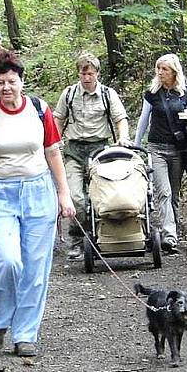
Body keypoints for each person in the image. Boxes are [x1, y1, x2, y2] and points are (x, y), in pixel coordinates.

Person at [0, 49, 75, 358]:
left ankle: (25, 334)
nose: (7, 88)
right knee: (6, 261)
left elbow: (53, 153)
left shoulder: (40, 110)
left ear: (21, 81)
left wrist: (64, 195)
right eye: (0, 83)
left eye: (12, 81)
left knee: (35, 269)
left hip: (39, 192)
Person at [53, 52, 129, 258]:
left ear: (97, 73)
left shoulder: (107, 94)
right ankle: (78, 239)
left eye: (90, 74)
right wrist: (54, 142)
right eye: (83, 73)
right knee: (76, 197)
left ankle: (103, 236)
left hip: (100, 151)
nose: (86, 78)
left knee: (103, 195)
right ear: (78, 73)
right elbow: (58, 119)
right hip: (75, 150)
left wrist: (123, 138)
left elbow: (120, 118)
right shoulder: (69, 94)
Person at [133, 53, 187, 255]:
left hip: (178, 149)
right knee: (164, 192)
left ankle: (173, 232)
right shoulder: (152, 93)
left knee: (174, 194)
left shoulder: (185, 92)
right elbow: (144, 119)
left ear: (174, 72)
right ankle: (169, 236)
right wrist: (136, 145)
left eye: (165, 69)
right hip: (156, 147)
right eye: (158, 69)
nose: (160, 73)